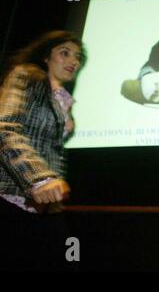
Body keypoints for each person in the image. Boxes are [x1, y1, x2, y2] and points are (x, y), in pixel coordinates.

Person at [0, 30, 86, 271]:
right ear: (46, 58)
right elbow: (5, 128)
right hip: (9, 197)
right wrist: (39, 179)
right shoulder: (28, 75)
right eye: (64, 53)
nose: (73, 61)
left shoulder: (64, 100)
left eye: (77, 57)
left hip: (43, 207)